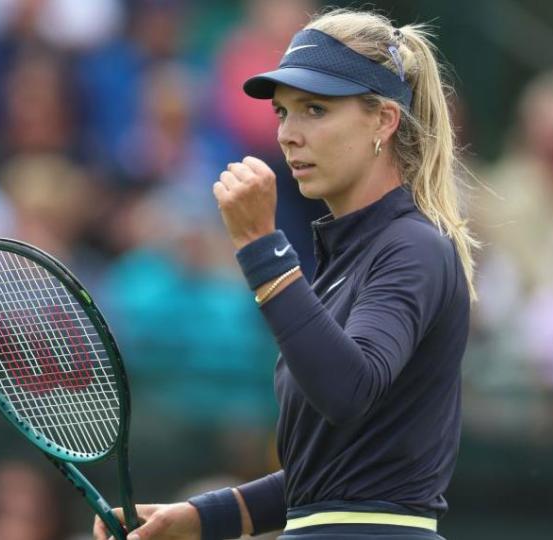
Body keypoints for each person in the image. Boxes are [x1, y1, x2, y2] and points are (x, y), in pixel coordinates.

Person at [95, 8, 476, 540]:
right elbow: (331, 476)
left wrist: (260, 246)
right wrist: (204, 516)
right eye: (282, 113)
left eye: (315, 109)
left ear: (385, 121)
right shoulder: (349, 258)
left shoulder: (412, 246)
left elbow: (348, 392)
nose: (289, 135)